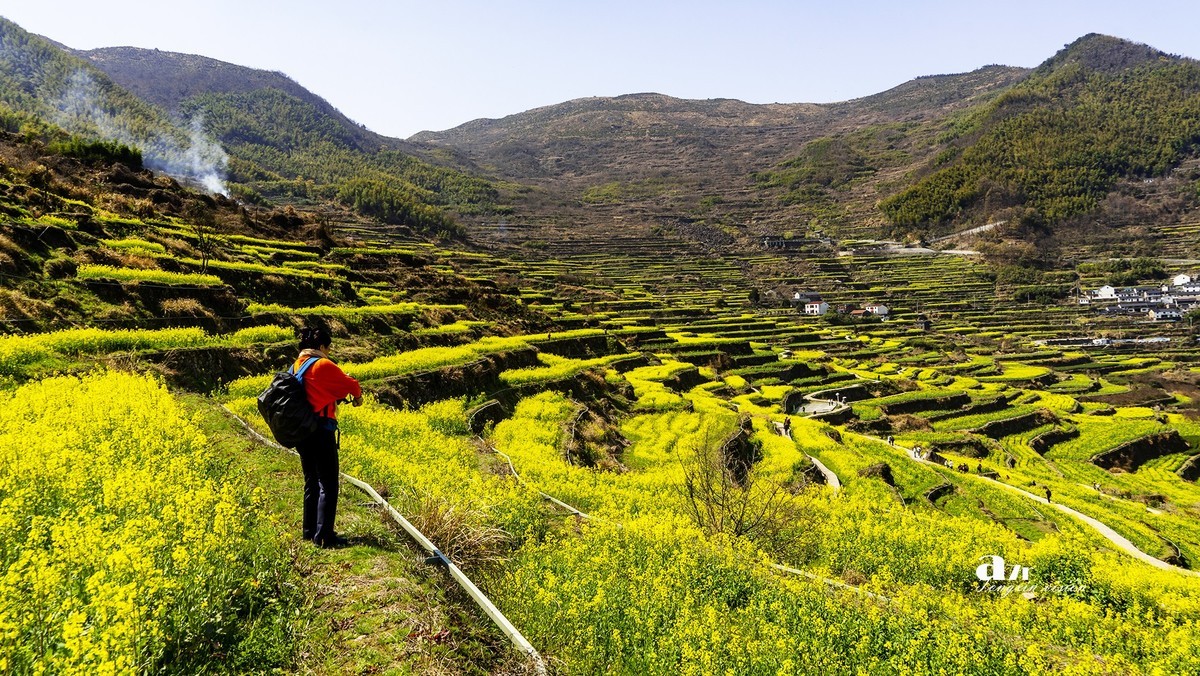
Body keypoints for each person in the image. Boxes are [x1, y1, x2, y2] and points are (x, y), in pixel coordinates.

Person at [293, 325, 363, 548]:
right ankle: (324, 536)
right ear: (322, 346)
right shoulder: (322, 364)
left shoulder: (297, 365)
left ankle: (309, 530)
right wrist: (357, 396)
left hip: (303, 431)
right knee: (329, 483)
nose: (329, 352)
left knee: (311, 481)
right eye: (328, 348)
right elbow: (352, 385)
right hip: (321, 430)